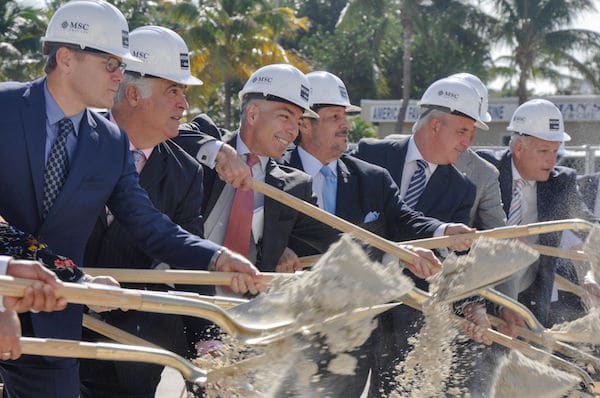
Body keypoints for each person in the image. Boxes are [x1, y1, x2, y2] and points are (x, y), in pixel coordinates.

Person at [0, 2, 260, 396]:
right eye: (110, 64)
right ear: (67, 59)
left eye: (122, 66)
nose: (121, 76)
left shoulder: (109, 142)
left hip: (54, 318)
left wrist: (216, 258)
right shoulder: (3, 109)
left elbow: (148, 223)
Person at [284, 71, 480, 396]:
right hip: (290, 323)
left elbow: (405, 220)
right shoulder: (273, 172)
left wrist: (444, 230)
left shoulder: (372, 179)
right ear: (305, 123)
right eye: (334, 117)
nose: (345, 125)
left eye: (345, 117)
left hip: (352, 330)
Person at [79, 26, 216, 398]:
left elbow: (189, 265)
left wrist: (208, 340)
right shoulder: (71, 142)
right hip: (53, 337)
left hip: (132, 354)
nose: (184, 105)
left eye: (184, 93)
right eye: (174, 90)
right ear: (134, 93)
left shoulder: (185, 173)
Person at [352, 77, 490, 396]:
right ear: (435, 126)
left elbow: (456, 257)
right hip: (353, 300)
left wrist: (473, 304)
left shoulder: (462, 189)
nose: (468, 142)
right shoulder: (370, 154)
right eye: (463, 131)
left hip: (408, 313)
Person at [478, 99, 594, 331]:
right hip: (479, 281)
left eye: (555, 150)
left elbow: (587, 226)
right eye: (543, 151)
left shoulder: (561, 182)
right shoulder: (486, 168)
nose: (552, 160)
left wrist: (592, 274)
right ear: (518, 148)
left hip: (531, 286)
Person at [450, 73, 507, 230]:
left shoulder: (484, 175)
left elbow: (496, 233)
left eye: (470, 128)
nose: (467, 139)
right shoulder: (389, 154)